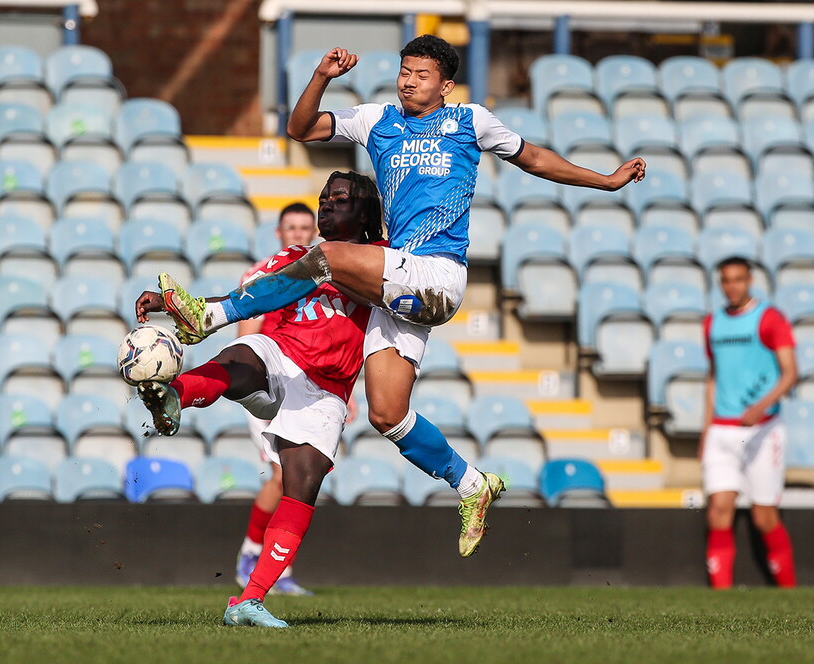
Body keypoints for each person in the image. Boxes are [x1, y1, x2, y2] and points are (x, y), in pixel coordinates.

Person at [151, 35, 646, 557]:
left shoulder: (470, 121)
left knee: (328, 256)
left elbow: (536, 158)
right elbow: (300, 129)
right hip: (397, 281)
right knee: (387, 414)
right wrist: (321, 77)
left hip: (436, 274)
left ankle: (211, 315)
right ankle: (472, 484)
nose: (408, 81)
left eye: (421, 74)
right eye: (404, 71)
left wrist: (606, 181)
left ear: (446, 85)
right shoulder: (376, 120)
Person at [135, 171, 385, 627]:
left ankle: (248, 601)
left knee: (301, 484)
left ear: (365, 213)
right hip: (283, 354)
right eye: (323, 198)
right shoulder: (294, 259)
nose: (325, 205)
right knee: (244, 354)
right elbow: (241, 300)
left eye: (338, 199)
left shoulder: (385, 261)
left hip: (327, 389)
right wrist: (174, 305)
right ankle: (173, 395)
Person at [235, 202, 317, 597]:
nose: (298, 234)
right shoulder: (261, 277)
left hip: (308, 390)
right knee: (285, 475)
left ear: (315, 232)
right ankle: (253, 555)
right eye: (291, 227)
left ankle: (274, 568)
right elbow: (245, 338)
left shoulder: (324, 278)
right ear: (279, 233)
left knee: (300, 480)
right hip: (268, 388)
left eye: (305, 228)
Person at [701, 256, 797, 589]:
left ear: (750, 280)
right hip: (722, 428)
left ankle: (788, 593)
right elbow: (713, 378)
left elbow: (790, 373)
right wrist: (706, 431)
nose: (732, 287)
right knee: (718, 511)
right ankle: (721, 599)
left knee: (763, 516)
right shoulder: (712, 323)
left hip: (763, 429)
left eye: (738, 279)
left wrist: (761, 406)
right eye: (726, 281)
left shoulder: (770, 319)